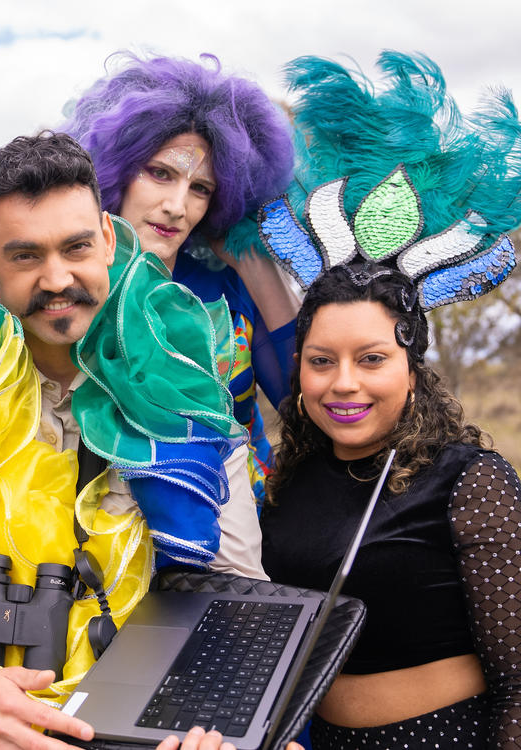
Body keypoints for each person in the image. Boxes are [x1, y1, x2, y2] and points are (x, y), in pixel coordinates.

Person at [0, 131, 263, 750]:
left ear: (109, 240)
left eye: (76, 247)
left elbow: (237, 602)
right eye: (25, 256)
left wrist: (206, 727)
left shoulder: (188, 402)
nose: (57, 278)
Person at [259, 51, 521, 749]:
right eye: (321, 362)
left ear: (412, 366)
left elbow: (520, 683)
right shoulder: (293, 480)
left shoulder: (470, 481)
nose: (343, 383)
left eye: (371, 359)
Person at [62, 53, 297, 508]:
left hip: (245, 530)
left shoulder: (227, 286)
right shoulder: (62, 285)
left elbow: (310, 403)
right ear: (115, 171)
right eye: (160, 173)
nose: (177, 205)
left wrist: (253, 262)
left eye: (201, 189)